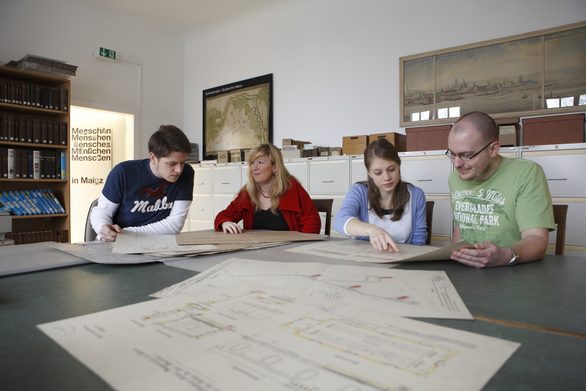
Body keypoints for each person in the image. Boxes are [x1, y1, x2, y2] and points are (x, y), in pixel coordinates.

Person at [447, 111, 555, 268]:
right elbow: (461, 225)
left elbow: (537, 239)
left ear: (493, 149)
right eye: (452, 154)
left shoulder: (526, 173)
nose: (456, 164)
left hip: (514, 272)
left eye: (466, 155)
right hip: (468, 272)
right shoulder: (455, 178)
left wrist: (505, 256)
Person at [90, 125, 194, 241]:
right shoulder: (123, 172)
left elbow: (175, 224)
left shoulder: (186, 173)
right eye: (172, 164)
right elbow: (102, 211)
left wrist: (123, 234)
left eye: (183, 163)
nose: (179, 170)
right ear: (153, 157)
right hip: (116, 245)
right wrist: (103, 227)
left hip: (157, 244)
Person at [334, 138, 428, 251]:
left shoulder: (416, 195)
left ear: (399, 166)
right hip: (367, 262)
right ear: (369, 173)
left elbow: (419, 243)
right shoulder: (359, 191)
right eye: (378, 172)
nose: (387, 178)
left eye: (391, 169)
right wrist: (372, 230)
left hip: (403, 261)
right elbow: (340, 220)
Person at [214, 143, 321, 234]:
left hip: (288, 253)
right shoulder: (247, 192)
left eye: (260, 162)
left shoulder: (292, 188)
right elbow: (224, 215)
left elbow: (313, 222)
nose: (254, 168)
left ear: (274, 167)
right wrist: (225, 222)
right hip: (254, 253)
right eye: (252, 163)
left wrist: (301, 248)